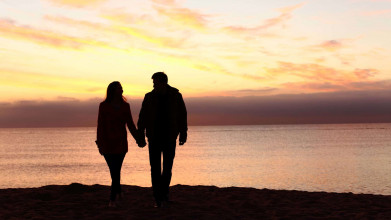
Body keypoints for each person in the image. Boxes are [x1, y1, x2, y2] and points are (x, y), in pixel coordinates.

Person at [137, 72, 187, 207]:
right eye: (153, 83)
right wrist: (140, 135)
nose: (153, 85)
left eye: (155, 82)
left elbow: (182, 115)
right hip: (154, 137)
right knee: (155, 168)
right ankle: (158, 198)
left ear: (163, 82)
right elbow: (142, 118)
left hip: (170, 137)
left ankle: (164, 195)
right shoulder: (149, 97)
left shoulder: (176, 96)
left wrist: (183, 133)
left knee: (167, 168)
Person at [96, 81, 145, 207]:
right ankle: (117, 193)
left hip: (121, 143)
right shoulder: (104, 106)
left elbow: (130, 124)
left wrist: (138, 139)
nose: (122, 90)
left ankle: (113, 197)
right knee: (114, 170)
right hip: (107, 143)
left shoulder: (125, 106)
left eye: (122, 88)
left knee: (116, 170)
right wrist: (100, 143)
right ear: (113, 90)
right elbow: (100, 125)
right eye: (119, 88)